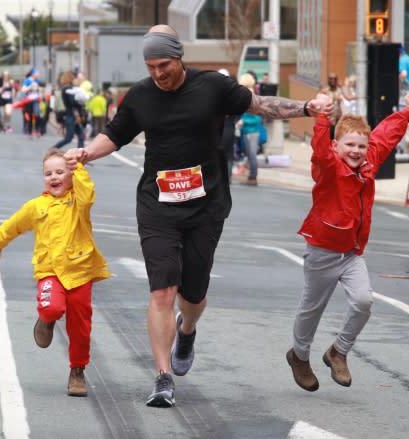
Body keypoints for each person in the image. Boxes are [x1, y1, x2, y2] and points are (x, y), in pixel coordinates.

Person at [63, 24, 333, 408]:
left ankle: (187, 329)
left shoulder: (213, 87)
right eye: (152, 66)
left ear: (179, 57)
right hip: (157, 204)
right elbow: (116, 133)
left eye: (164, 64)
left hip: (207, 203)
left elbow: (258, 105)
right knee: (162, 291)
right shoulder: (140, 96)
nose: (158, 73)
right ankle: (162, 377)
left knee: (193, 292)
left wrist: (307, 107)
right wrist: (87, 152)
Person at [286, 91, 409, 392]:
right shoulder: (328, 167)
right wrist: (322, 118)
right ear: (336, 146)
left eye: (361, 145)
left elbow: (385, 136)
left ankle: (338, 351)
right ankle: (299, 356)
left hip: (351, 254)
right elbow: (319, 152)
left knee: (363, 301)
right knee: (312, 309)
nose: (357, 151)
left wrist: (407, 113)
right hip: (322, 250)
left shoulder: (369, 159)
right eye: (349, 145)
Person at [0, 149, 110, 397]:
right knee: (52, 307)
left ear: (71, 175)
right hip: (49, 271)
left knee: (80, 328)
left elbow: (88, 194)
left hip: (80, 272)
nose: (54, 177)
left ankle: (77, 371)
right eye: (48, 173)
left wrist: (79, 168)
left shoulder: (79, 202)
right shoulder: (36, 206)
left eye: (60, 172)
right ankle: (46, 319)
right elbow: (14, 225)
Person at [238, 73, 263, 186]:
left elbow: (258, 118)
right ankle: (251, 175)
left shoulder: (253, 97)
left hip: (252, 131)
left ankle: (253, 176)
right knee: (249, 154)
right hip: (247, 131)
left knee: (252, 154)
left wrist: (244, 121)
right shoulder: (247, 96)